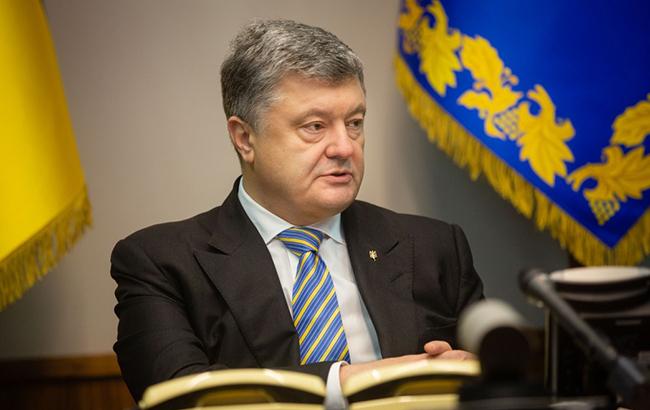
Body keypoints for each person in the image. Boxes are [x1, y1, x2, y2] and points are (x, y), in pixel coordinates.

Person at [111, 19, 483, 408]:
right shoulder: (160, 262)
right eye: (315, 126)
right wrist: (356, 381)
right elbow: (180, 396)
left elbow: (492, 381)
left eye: (354, 123)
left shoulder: (435, 247)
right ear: (244, 138)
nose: (344, 147)